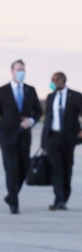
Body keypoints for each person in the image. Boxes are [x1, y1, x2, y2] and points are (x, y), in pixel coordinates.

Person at [41, 72, 82, 211]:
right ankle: (58, 199)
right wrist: (43, 140)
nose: (52, 82)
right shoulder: (51, 97)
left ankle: (64, 198)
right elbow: (47, 120)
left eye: (54, 80)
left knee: (67, 168)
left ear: (62, 80)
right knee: (56, 169)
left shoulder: (75, 96)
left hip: (68, 138)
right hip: (53, 137)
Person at [0, 59, 43, 214]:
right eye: (18, 69)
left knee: (23, 168)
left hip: (24, 136)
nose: (21, 72)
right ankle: (14, 203)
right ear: (11, 71)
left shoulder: (30, 90)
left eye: (23, 69)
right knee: (11, 169)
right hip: (7, 136)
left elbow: (38, 111)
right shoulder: (3, 91)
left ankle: (11, 196)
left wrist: (31, 121)